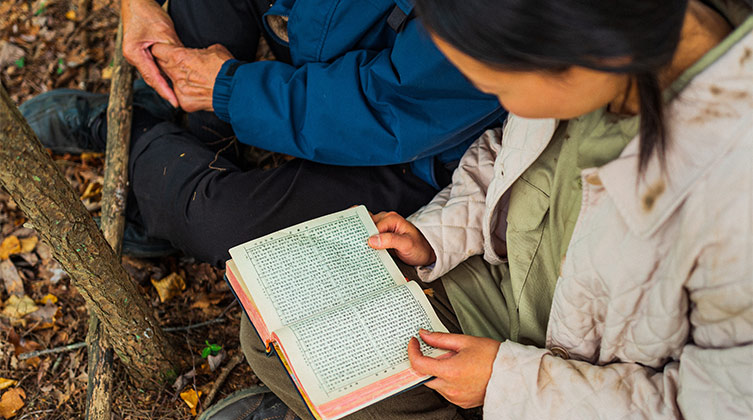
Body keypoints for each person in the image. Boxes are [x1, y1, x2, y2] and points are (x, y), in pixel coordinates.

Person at [233, 0, 753, 418]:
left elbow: (718, 404)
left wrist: (510, 386)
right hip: (498, 294)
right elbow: (503, 153)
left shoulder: (734, 191)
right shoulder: (583, 52)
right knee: (273, 335)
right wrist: (435, 235)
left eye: (495, 84)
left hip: (587, 384)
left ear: (589, 51)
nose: (486, 94)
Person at [20, 0, 504, 264]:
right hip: (316, 37)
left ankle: (136, 135)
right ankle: (174, 124)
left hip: (416, 150)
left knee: (219, 224)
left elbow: (396, 106)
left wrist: (231, 89)